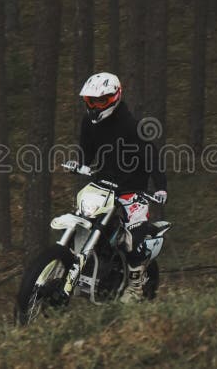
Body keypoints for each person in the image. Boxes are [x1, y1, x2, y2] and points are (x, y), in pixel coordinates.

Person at [64, 72, 167, 303]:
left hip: (133, 189)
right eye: (92, 101)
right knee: (81, 214)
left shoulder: (131, 126)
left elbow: (151, 155)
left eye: (101, 100)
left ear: (115, 97)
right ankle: (70, 263)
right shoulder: (88, 122)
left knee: (133, 236)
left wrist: (160, 187)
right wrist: (79, 164)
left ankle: (136, 286)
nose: (96, 106)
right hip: (103, 182)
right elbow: (87, 153)